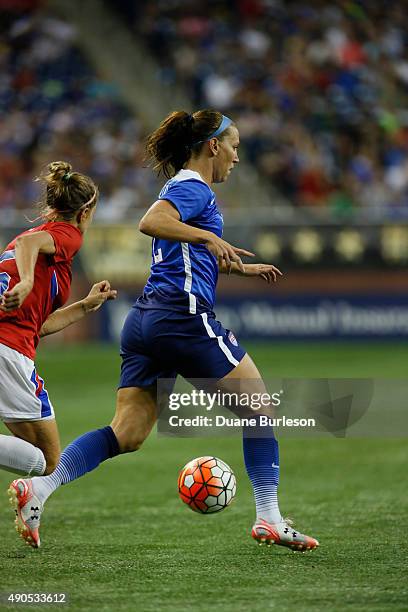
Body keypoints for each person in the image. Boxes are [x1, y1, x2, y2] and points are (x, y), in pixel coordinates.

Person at [10, 111, 319, 551]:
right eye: (233, 146)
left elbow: (184, 256)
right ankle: (268, 516)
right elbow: (150, 221)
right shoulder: (192, 186)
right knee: (261, 410)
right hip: (181, 318)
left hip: (147, 320)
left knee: (127, 433)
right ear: (213, 145)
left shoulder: (192, 190)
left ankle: (39, 490)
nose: (236, 157)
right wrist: (208, 239)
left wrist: (237, 265)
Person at [0, 161, 117, 546]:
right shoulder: (63, 235)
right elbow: (31, 248)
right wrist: (30, 279)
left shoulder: (33, 243)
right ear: (85, 211)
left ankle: (30, 504)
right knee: (47, 460)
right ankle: (32, 496)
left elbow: (40, 325)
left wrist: (85, 306)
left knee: (36, 457)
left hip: (14, 344)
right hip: (8, 352)